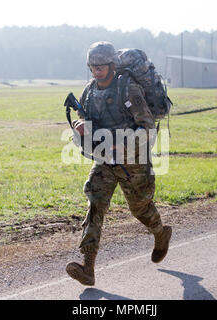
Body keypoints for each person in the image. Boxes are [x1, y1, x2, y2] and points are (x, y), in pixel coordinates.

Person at [65, 41, 172, 286]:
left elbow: (147, 128)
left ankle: (160, 233)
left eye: (100, 67)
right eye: (92, 67)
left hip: (132, 161)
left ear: (112, 65)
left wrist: (125, 145)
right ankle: (87, 267)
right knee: (95, 205)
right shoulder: (90, 90)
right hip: (104, 160)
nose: (95, 71)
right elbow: (89, 120)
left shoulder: (129, 89)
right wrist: (81, 129)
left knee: (140, 208)